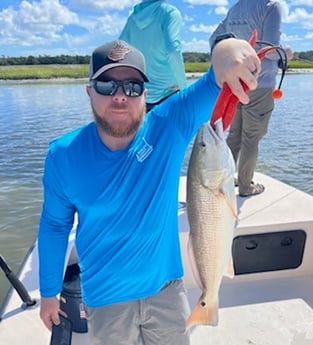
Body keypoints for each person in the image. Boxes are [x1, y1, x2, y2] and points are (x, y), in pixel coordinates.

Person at [38, 38, 260, 344]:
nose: (120, 97)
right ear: (89, 91)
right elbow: (54, 225)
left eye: (132, 86)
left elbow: (216, 80)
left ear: (145, 93)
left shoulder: (168, 126)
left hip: (166, 290)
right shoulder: (62, 154)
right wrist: (49, 293)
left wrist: (229, 51)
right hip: (105, 298)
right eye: (106, 85)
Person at [209, 0, 293, 197]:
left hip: (235, 86)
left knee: (234, 137)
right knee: (251, 139)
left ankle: (225, 182)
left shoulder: (235, 8)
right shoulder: (272, 6)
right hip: (260, 86)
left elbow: (214, 40)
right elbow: (271, 51)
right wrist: (287, 52)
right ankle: (246, 186)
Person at [119, 0, 187, 111]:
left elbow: (119, 50)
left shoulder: (133, 19)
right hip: (169, 92)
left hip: (140, 95)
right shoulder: (170, 13)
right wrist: (184, 89)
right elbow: (173, 50)